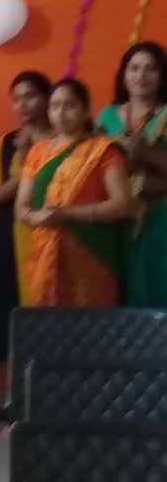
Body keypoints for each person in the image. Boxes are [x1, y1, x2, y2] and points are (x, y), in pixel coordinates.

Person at [17, 78, 135, 306]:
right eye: (54, 106)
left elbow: (124, 205)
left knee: (91, 321)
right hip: (45, 252)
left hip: (91, 254)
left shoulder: (103, 150)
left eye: (69, 105)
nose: (61, 113)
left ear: (85, 110)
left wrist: (67, 213)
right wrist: (36, 217)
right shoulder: (38, 152)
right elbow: (21, 207)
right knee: (49, 322)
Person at [0, 71, 52, 363]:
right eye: (17, 98)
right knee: (14, 312)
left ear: (47, 98)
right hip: (13, 237)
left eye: (31, 96)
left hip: (51, 235)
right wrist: (25, 162)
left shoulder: (63, 139)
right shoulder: (7, 143)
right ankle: (20, 385)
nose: (23, 104)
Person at [95, 41, 167, 307]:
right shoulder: (106, 117)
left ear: (162, 75)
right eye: (134, 68)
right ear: (124, 75)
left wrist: (148, 154)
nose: (141, 75)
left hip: (161, 219)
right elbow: (92, 169)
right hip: (117, 221)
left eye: (151, 68)